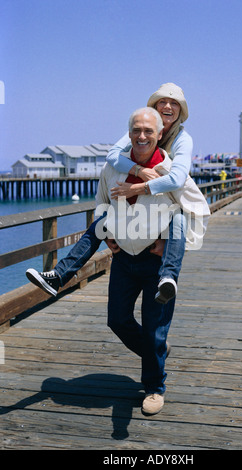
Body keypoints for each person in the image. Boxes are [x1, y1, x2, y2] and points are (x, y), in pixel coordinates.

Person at [26, 83, 207, 304]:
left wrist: (138, 187)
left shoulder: (182, 140)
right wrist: (138, 171)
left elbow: (178, 180)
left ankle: (169, 276)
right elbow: (112, 155)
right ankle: (58, 275)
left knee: (178, 217)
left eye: (174, 103)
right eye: (162, 101)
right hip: (132, 220)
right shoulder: (139, 129)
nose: (167, 106)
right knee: (102, 221)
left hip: (162, 200)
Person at [94, 107, 208, 415]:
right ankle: (156, 352)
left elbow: (191, 210)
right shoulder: (114, 165)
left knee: (154, 328)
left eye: (149, 132)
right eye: (136, 131)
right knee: (117, 319)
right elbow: (101, 203)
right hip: (123, 258)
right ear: (128, 133)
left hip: (156, 259)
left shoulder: (170, 171)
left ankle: (155, 388)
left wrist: (169, 240)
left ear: (160, 135)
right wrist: (104, 232)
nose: (141, 136)